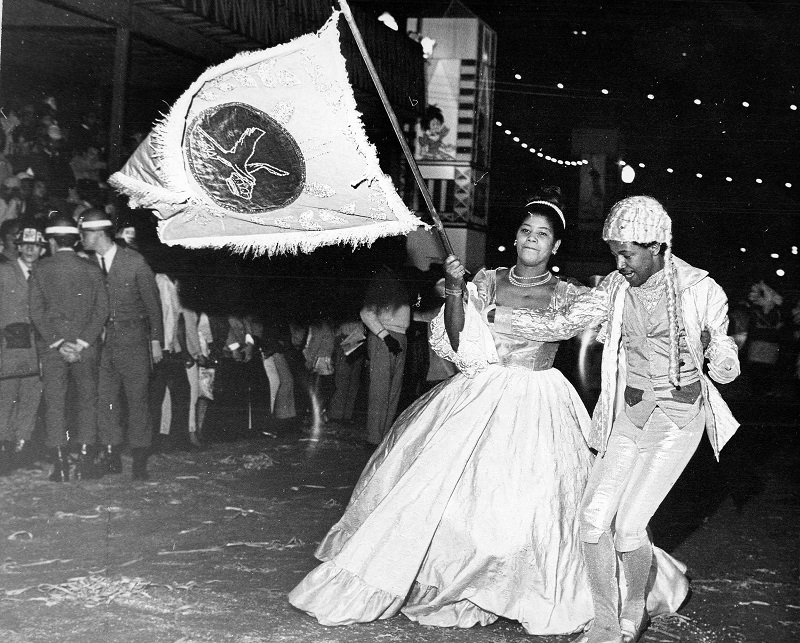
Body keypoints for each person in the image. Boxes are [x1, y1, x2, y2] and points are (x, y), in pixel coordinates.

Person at [288, 191, 688, 635]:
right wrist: (458, 290)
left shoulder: (567, 293)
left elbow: (598, 312)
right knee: (448, 496)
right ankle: (458, 581)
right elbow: (457, 339)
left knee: (535, 503)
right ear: (515, 237)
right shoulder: (488, 281)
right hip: (478, 394)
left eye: (542, 235)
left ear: (555, 247)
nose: (531, 240)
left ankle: (523, 586)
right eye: (525, 231)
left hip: (539, 400)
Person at [491, 195, 740, 643]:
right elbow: (563, 323)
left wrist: (710, 353)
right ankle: (605, 621)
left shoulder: (701, 289)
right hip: (630, 414)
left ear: (658, 246)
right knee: (591, 519)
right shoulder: (615, 287)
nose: (620, 262)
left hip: (678, 418)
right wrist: (500, 315)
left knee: (627, 526)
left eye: (628, 253)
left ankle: (633, 611)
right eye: (615, 253)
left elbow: (726, 361)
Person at [79, 208, 163, 480]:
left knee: (137, 402)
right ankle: (112, 456)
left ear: (98, 233)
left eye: (85, 233)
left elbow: (154, 307)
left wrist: (156, 342)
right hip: (105, 344)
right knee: (107, 402)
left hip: (135, 342)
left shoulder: (135, 262)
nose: (81, 237)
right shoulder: (90, 264)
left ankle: (139, 461)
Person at [29, 216, 109, 481]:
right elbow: (102, 311)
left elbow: (36, 312)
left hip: (53, 347)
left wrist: (59, 342)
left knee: (55, 403)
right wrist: (82, 342)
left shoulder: (41, 269)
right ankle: (85, 462)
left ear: (51, 241)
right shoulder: (92, 268)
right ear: (76, 239)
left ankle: (60, 465)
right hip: (86, 347)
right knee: (88, 401)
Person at [0, 225, 46, 474]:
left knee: (31, 399)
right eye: (25, 245)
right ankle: (3, 452)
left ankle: (21, 450)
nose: (30, 250)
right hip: (8, 346)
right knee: (5, 399)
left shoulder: (46, 274)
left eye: (35, 246)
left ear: (42, 249)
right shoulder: (4, 272)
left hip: (36, 349)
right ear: (18, 247)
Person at [359, 265, 410, 449]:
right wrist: (385, 336)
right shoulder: (381, 282)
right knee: (379, 391)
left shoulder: (399, 285)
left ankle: (383, 436)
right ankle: (373, 438)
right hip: (385, 338)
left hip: (399, 337)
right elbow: (366, 313)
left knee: (393, 391)